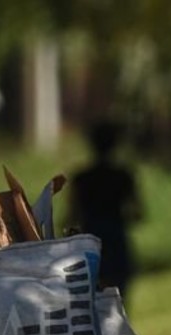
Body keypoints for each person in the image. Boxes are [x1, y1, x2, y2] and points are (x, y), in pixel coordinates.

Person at [71, 121, 141, 300]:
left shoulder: (82, 178)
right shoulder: (123, 176)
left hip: (90, 240)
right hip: (116, 240)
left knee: (91, 300)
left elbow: (72, 215)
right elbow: (137, 213)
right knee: (119, 300)